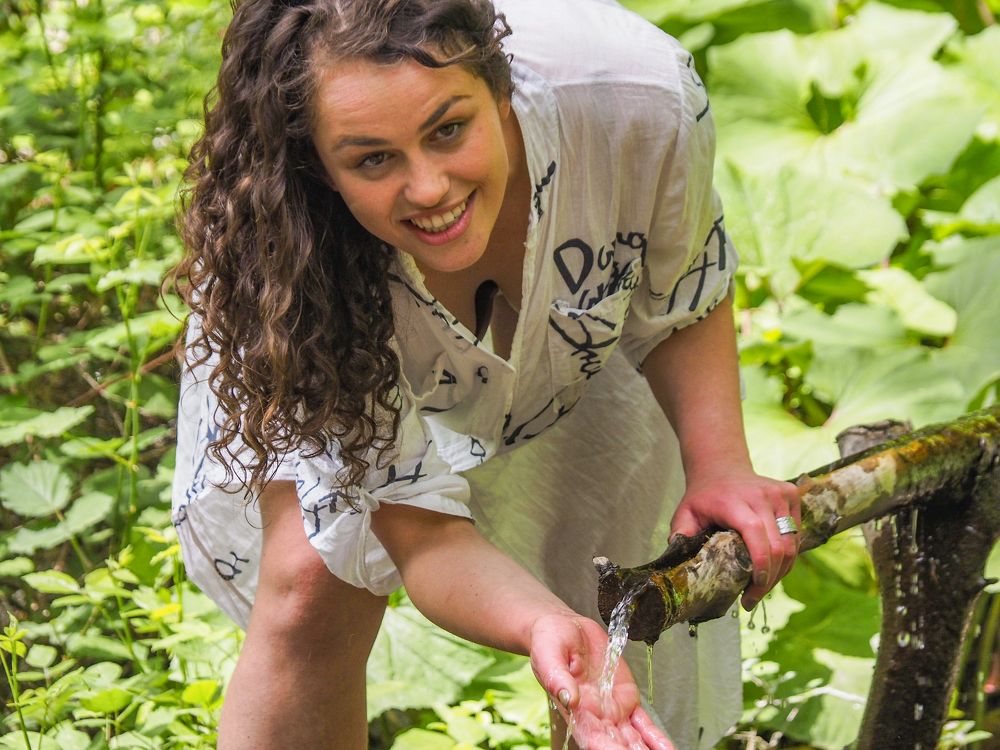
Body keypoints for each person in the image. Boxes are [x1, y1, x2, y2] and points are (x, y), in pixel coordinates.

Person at [170, 0, 801, 748]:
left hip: (585, 327)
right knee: (312, 582)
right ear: (319, 165)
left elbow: (683, 292)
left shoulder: (636, 96)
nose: (430, 188)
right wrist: (538, 622)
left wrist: (721, 463)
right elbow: (422, 532)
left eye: (448, 129)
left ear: (501, 88)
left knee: (618, 575)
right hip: (333, 306)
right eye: (373, 158)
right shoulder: (282, 256)